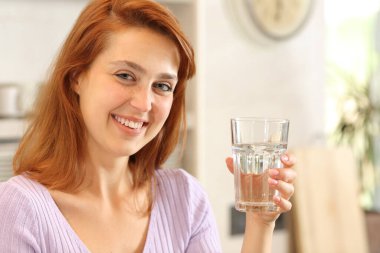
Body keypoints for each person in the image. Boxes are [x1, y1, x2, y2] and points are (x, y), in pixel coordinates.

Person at [0, 0, 296, 252]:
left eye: (163, 85)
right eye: (126, 76)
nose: (144, 104)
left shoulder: (186, 200)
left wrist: (260, 222)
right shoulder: (21, 209)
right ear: (77, 76)